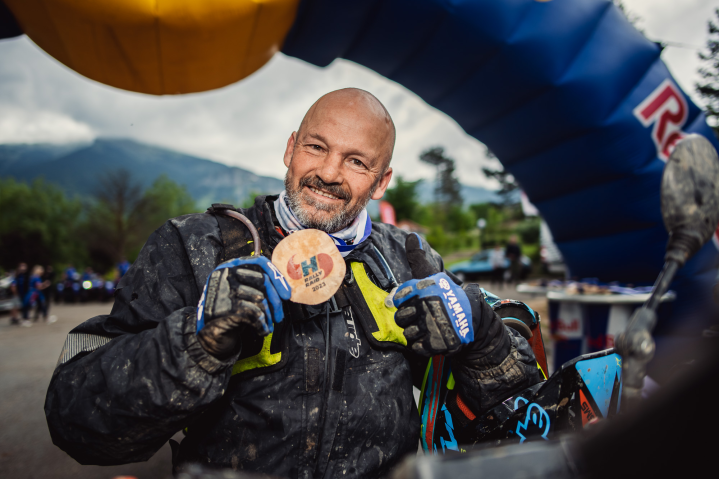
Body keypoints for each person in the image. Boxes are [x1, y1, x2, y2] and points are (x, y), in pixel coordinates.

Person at [45, 89, 542, 478]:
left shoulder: (411, 260)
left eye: (357, 161)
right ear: (290, 147)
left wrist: (483, 339)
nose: (328, 172)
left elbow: (523, 418)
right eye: (316, 147)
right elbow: (79, 424)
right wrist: (197, 340)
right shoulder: (194, 246)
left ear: (382, 181)